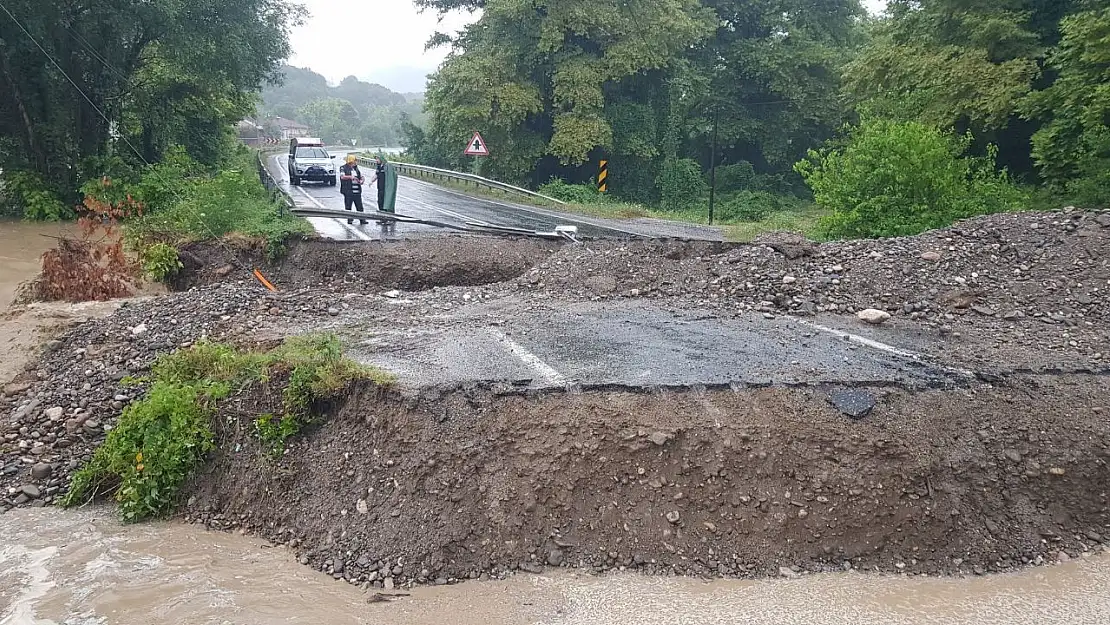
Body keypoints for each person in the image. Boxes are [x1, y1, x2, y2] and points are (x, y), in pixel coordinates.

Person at [339, 155, 367, 225]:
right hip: (348, 190)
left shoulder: (356, 168)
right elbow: (342, 177)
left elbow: (361, 176)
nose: (356, 162)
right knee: (348, 206)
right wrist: (351, 177)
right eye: (355, 160)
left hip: (357, 190)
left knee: (359, 206)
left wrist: (362, 180)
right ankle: (349, 219)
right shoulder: (343, 168)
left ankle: (362, 219)